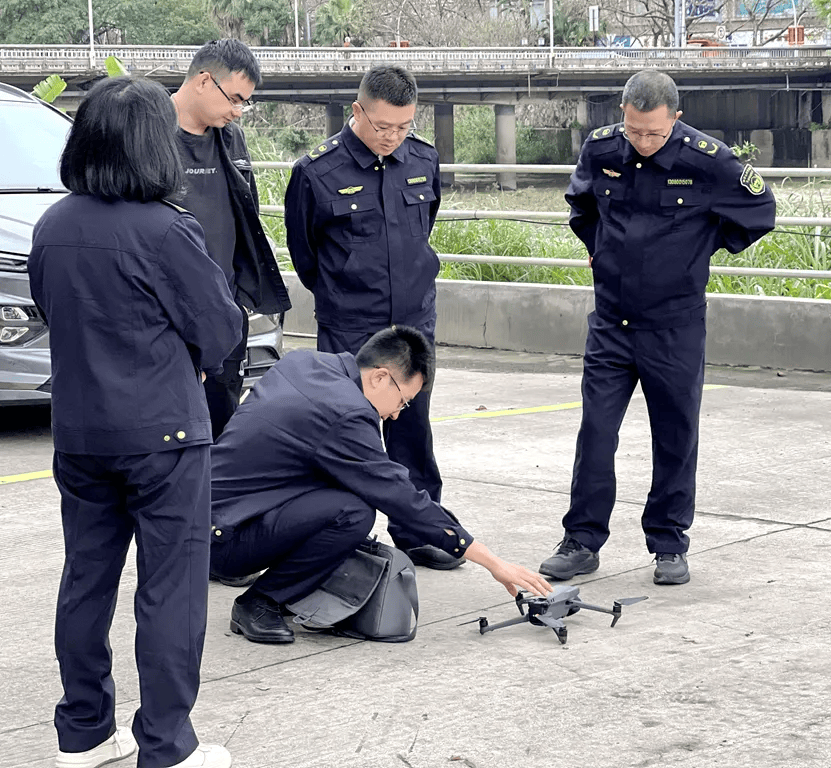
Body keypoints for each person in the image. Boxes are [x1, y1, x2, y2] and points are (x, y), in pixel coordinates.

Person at [29, 77, 242, 768]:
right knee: (170, 594)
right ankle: (166, 745)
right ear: (156, 145)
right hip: (164, 437)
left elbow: (51, 311)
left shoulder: (53, 226)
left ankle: (84, 732)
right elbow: (220, 329)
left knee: (85, 581)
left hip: (82, 433)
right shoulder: (166, 228)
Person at [539, 69, 776, 586]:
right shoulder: (603, 150)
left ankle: (668, 542)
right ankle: (581, 539)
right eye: (634, 130)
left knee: (674, 435)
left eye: (654, 132)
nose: (643, 142)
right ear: (622, 117)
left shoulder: (708, 162)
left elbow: (760, 212)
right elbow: (580, 208)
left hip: (674, 326)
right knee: (597, 432)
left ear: (676, 119)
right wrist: (597, 250)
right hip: (611, 323)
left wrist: (698, 252)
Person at [208, 325, 552, 644]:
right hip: (224, 541)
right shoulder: (346, 413)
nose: (398, 414)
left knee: (347, 492)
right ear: (380, 377)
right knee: (354, 513)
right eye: (403, 401)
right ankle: (261, 601)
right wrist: (492, 561)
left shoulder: (304, 362)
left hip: (204, 516)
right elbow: (400, 497)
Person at [284, 64, 455, 570]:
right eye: (383, 126)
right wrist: (347, 292)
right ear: (357, 111)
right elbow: (305, 253)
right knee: (342, 432)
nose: (393, 137)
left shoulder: (423, 159)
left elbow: (426, 225)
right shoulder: (316, 171)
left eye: (403, 126)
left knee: (412, 428)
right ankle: (340, 531)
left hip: (411, 325)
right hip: (350, 327)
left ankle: (421, 530)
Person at [171, 39, 292, 441]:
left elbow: (247, 214)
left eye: (245, 102)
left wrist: (238, 300)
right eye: (235, 98)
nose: (238, 110)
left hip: (223, 314)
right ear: (205, 80)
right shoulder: (148, 135)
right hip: (167, 318)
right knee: (170, 436)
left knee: (221, 433)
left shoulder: (232, 138)